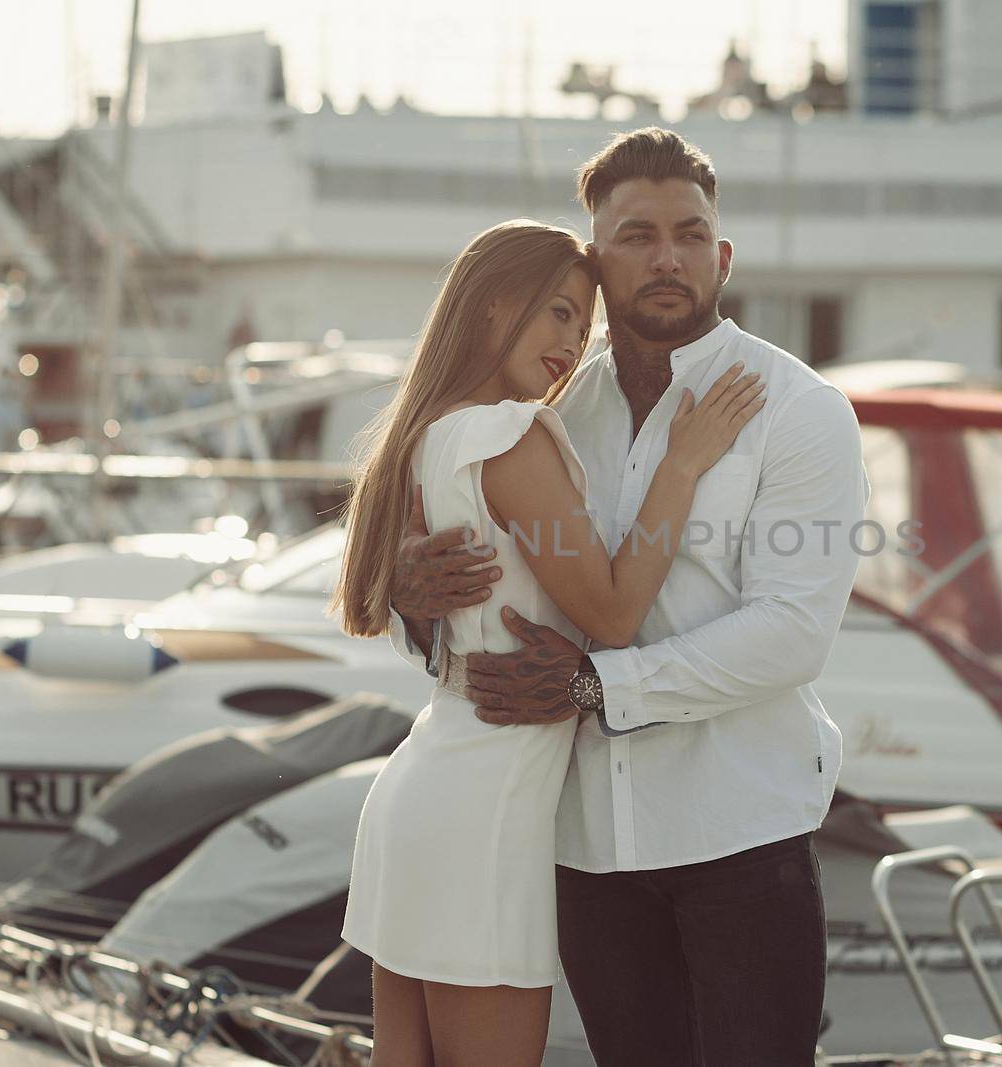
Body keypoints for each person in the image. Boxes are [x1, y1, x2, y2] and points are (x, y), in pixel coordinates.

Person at [389, 128, 869, 1066]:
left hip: (741, 833)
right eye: (637, 235)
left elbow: (792, 633)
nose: (667, 256)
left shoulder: (799, 410)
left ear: (721, 256)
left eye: (690, 234)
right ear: (595, 262)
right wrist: (416, 597)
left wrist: (596, 689)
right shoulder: (546, 412)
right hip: (585, 844)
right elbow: (489, 612)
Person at [332, 218, 766, 1067]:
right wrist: (681, 466)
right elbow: (609, 613)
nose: (573, 342)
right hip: (483, 814)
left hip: (428, 792)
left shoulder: (431, 434)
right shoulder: (508, 433)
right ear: (494, 307)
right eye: (557, 312)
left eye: (582, 322)